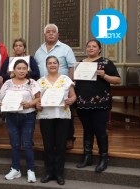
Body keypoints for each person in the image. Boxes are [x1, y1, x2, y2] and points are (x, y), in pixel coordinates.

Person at [75, 39, 121, 172]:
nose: (90, 48)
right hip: (83, 103)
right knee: (87, 130)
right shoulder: (80, 63)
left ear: (99, 49)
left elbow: (117, 80)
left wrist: (104, 75)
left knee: (100, 131)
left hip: (101, 103)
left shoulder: (105, 62)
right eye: (88, 46)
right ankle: (87, 157)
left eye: (94, 46)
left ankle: (103, 158)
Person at [34, 23, 77, 149]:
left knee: (66, 114)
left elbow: (71, 66)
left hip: (62, 87)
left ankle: (69, 138)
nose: (51, 33)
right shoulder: (39, 51)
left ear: (58, 34)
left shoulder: (65, 48)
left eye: (53, 31)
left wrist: (70, 84)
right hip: (45, 87)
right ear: (44, 35)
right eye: (48, 32)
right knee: (48, 117)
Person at [36, 56, 76, 185]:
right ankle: (49, 173)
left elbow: (73, 95)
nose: (52, 65)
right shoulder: (40, 82)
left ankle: (59, 174)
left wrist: (71, 100)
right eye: (49, 63)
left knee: (60, 146)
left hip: (62, 116)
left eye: (54, 63)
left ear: (58, 65)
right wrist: (37, 104)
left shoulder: (66, 79)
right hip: (46, 116)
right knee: (48, 146)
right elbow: (37, 99)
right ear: (46, 66)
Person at [0, 59, 40, 182]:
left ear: (27, 70)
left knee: (27, 144)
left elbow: (38, 98)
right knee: (15, 144)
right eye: (19, 68)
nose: (21, 71)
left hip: (28, 116)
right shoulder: (7, 83)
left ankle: (31, 170)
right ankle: (15, 169)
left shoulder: (32, 82)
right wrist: (2, 103)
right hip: (11, 117)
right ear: (14, 70)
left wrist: (29, 104)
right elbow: (2, 99)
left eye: (24, 68)